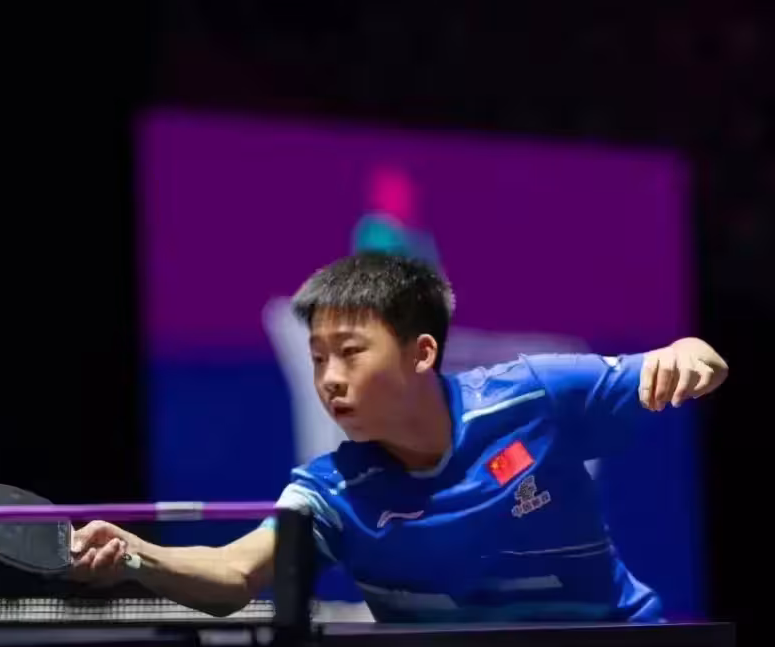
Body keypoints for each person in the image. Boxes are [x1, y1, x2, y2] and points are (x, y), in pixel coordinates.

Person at [70, 252, 728, 627]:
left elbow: (693, 357)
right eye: (318, 358)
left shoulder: (535, 396)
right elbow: (235, 572)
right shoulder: (332, 492)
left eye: (350, 352)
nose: (329, 378)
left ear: (422, 352)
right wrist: (135, 555)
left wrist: (688, 355)